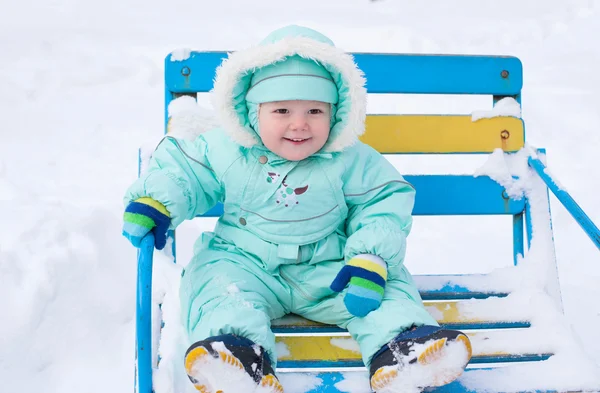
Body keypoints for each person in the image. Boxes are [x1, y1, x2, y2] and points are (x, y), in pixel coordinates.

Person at [122, 25, 472, 393]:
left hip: (331, 268)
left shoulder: (351, 159)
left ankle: (404, 351)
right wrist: (157, 200)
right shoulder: (228, 148)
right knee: (216, 286)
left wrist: (370, 256)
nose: (299, 123)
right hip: (245, 261)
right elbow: (188, 171)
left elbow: (382, 202)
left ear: (337, 113)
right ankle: (237, 357)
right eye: (282, 109)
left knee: (388, 290)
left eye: (315, 110)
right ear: (253, 112)